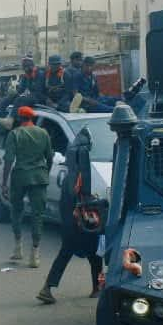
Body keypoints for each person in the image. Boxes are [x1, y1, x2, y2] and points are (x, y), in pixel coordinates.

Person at [37, 128, 103, 304]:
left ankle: (48, 287)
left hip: (69, 221)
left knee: (69, 254)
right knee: (94, 254)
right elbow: (85, 194)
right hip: (80, 220)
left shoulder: (69, 174)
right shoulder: (82, 172)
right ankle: (96, 288)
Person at [2, 106, 53, 268]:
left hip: (20, 177)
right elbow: (49, 157)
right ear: (32, 118)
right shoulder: (43, 133)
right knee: (38, 215)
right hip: (39, 177)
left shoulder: (14, 134)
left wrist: (4, 182)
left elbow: (9, 159)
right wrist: (44, 172)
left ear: (19, 117)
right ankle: (35, 254)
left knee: (16, 211)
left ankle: (18, 248)